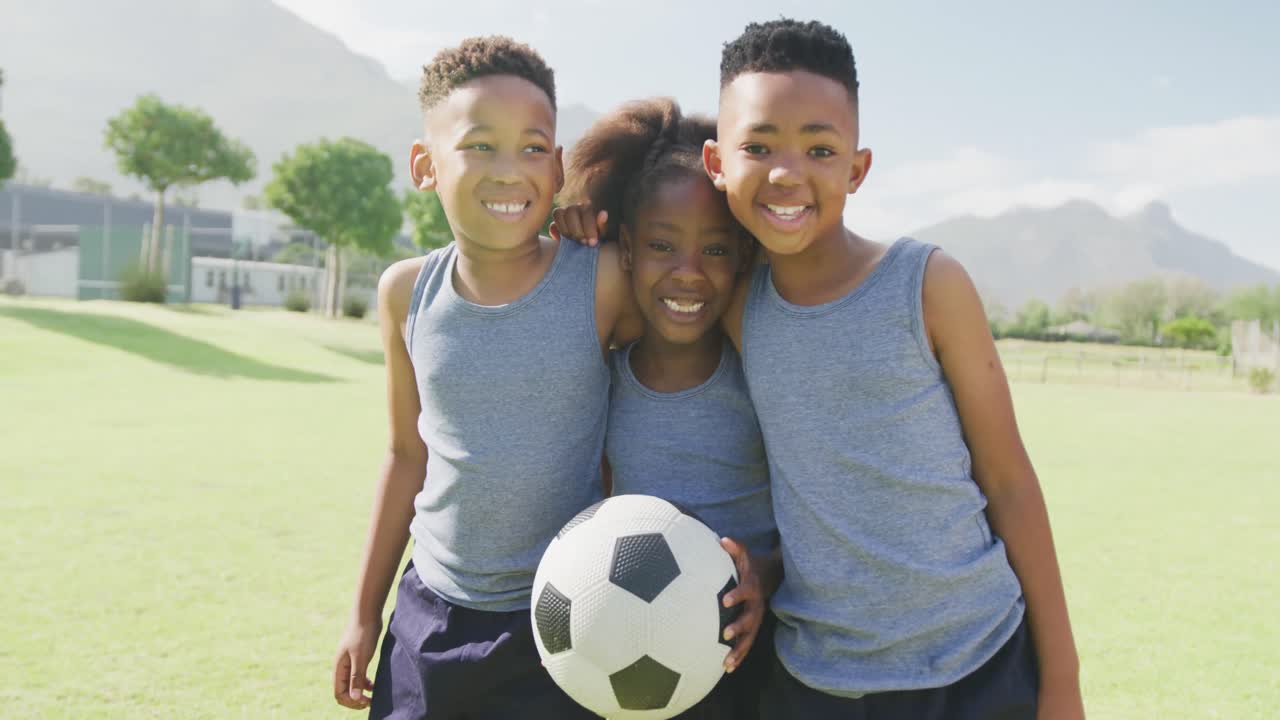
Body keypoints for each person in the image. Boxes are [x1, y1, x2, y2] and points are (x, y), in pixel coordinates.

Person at [700, 19, 1084, 719]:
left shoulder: (928, 284)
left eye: (820, 149)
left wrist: (1062, 682)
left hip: (977, 666)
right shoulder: (736, 308)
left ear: (857, 168)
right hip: (818, 683)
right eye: (758, 146)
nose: (787, 173)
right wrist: (579, 218)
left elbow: (1008, 481)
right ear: (716, 162)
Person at [331, 35, 640, 719]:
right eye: (479, 145)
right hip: (429, 614)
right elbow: (405, 454)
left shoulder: (602, 279)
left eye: (533, 148)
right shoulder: (404, 293)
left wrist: (599, 218)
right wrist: (364, 613)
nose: (509, 171)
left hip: (564, 621)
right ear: (425, 165)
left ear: (557, 167)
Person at [556, 97, 780, 719]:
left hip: (748, 661)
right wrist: (574, 240)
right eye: (661, 245)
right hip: (624, 661)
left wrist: (766, 577)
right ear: (626, 249)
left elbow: (810, 518)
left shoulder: (761, 381)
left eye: (716, 250)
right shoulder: (600, 379)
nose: (689, 273)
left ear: (743, 256)